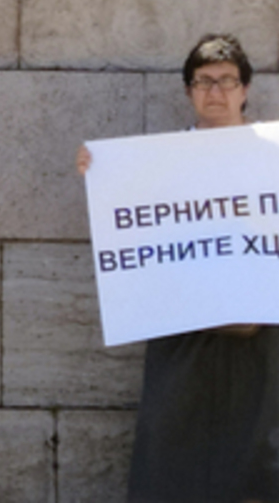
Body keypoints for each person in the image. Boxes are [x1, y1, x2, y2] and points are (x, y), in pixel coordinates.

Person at [77, 34, 279, 503]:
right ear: (189, 91)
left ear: (245, 89)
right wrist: (99, 172)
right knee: (173, 446)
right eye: (204, 81)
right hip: (181, 323)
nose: (216, 92)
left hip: (262, 326)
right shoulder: (158, 163)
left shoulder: (272, 155)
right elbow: (128, 222)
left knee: (259, 448)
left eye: (227, 81)